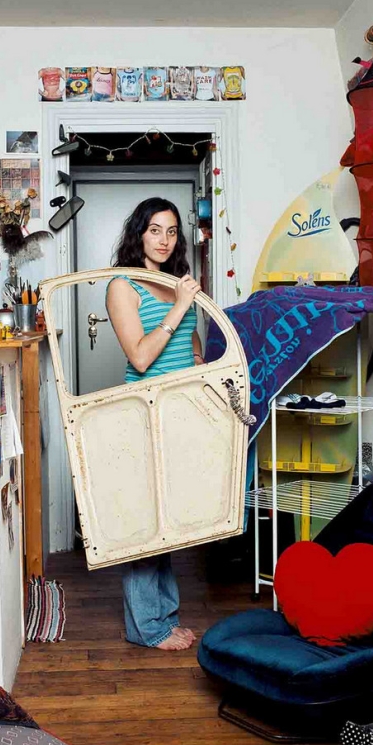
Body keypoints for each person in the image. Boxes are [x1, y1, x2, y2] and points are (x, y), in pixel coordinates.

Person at [105, 197, 204, 652]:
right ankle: (148, 627)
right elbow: (141, 358)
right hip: (144, 414)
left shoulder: (173, 282)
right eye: (154, 230)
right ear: (138, 234)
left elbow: (190, 339)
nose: (164, 240)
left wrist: (198, 362)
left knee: (166, 523)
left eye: (171, 231)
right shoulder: (123, 286)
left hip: (181, 412)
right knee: (146, 525)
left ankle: (164, 617)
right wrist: (181, 306)